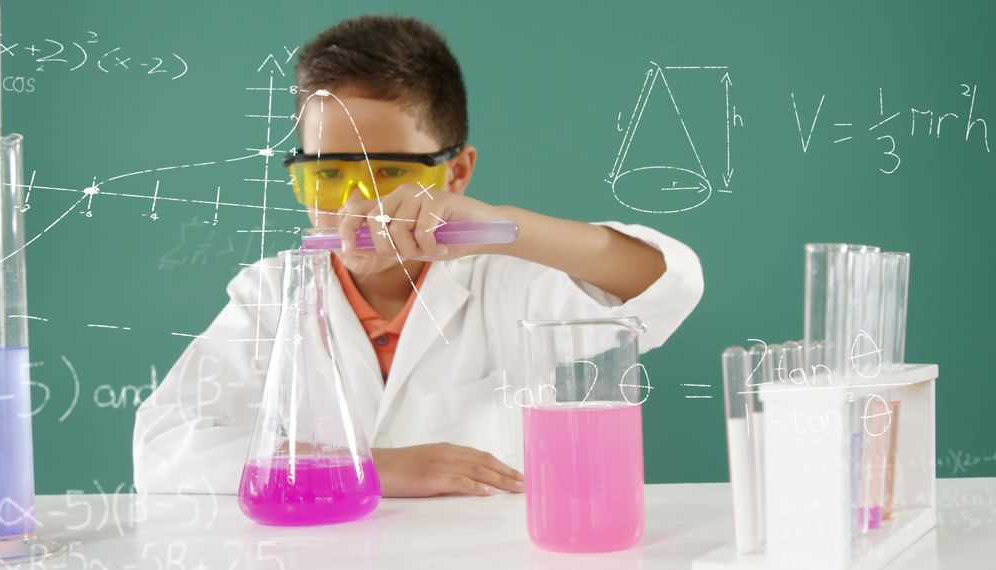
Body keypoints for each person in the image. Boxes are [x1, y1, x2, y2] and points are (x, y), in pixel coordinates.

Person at [133, 15, 703, 498]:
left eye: (389, 174)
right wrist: (373, 467)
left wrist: (508, 229)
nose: (357, 205)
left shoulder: (506, 281)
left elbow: (668, 283)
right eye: (328, 174)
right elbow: (162, 446)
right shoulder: (269, 296)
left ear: (454, 173)